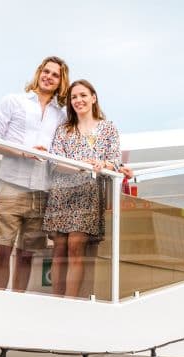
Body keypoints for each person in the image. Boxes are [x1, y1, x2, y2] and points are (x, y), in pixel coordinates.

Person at [43, 79, 132, 298]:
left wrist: (104, 165)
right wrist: (83, 167)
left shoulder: (108, 128)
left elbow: (114, 160)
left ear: (93, 98)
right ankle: (55, 300)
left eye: (83, 95)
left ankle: (70, 301)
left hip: (89, 194)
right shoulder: (64, 129)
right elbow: (55, 161)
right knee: (59, 248)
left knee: (76, 247)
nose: (78, 100)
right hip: (62, 193)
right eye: (74, 97)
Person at [0, 56, 69, 291]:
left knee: (27, 253)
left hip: (41, 190)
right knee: (4, 247)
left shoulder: (61, 115)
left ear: (60, 82)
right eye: (46, 71)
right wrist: (24, 152)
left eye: (55, 75)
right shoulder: (13, 101)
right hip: (11, 185)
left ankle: (18, 301)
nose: (49, 77)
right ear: (38, 73)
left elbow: (63, 150)